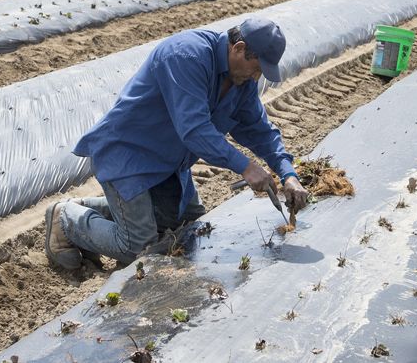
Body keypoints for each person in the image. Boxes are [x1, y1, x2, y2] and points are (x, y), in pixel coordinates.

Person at [45, 17, 309, 269]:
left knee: (188, 226)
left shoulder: (242, 82)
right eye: (257, 69)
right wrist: (246, 167)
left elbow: (259, 130)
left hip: (169, 163)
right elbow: (194, 130)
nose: (256, 78)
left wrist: (288, 174)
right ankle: (66, 217)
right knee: (138, 247)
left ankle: (100, 210)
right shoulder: (187, 56)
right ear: (239, 49)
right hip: (128, 156)